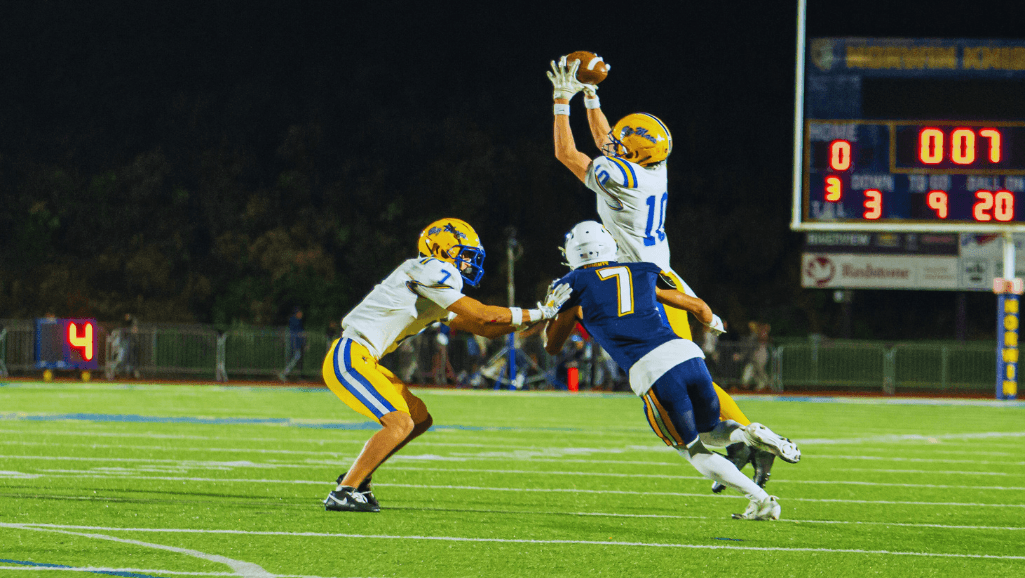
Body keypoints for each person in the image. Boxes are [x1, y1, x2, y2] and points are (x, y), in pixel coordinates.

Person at [547, 56, 785, 490]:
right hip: (655, 272)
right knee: (692, 372)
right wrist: (592, 94)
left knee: (685, 372)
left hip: (647, 279)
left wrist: (563, 99)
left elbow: (569, 153)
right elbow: (607, 142)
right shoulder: (651, 167)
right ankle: (742, 441)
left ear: (629, 154)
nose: (613, 139)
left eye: (621, 141)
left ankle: (749, 437)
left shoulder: (622, 179)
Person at [543, 222, 799, 520]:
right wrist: (713, 322)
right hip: (687, 354)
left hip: (651, 368)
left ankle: (762, 500)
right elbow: (696, 305)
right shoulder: (642, 270)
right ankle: (748, 434)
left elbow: (552, 346)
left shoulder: (572, 283)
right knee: (710, 431)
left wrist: (551, 312)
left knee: (691, 449)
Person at [322, 217, 571, 512]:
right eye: (464, 255)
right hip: (350, 355)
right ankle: (346, 490)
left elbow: (484, 328)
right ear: (442, 249)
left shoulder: (431, 285)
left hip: (366, 358)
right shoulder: (429, 269)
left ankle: (359, 476)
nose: (468, 264)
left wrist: (537, 317)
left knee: (418, 418)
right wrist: (541, 311)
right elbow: (483, 316)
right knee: (400, 422)